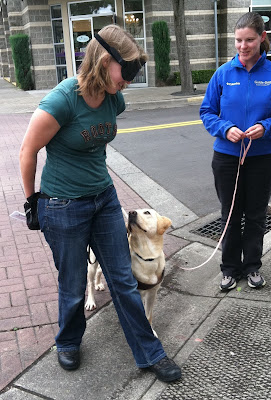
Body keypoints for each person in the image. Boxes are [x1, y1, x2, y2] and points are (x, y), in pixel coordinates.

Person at [19, 24, 181, 382]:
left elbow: (96, 142)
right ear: (105, 61)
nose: (127, 85)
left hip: (104, 200)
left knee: (123, 279)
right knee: (73, 281)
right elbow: (28, 151)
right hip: (63, 205)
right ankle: (69, 341)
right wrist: (33, 203)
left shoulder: (114, 97)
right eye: (124, 75)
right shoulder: (61, 101)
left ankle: (150, 353)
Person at [200, 12, 271, 291]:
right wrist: (224, 128)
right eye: (238, 40)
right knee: (230, 214)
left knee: (255, 215)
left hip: (263, 158)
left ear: (262, 38)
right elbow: (207, 111)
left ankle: (252, 266)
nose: (243, 46)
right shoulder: (223, 74)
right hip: (227, 157)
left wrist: (267, 127)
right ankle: (229, 269)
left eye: (249, 40)